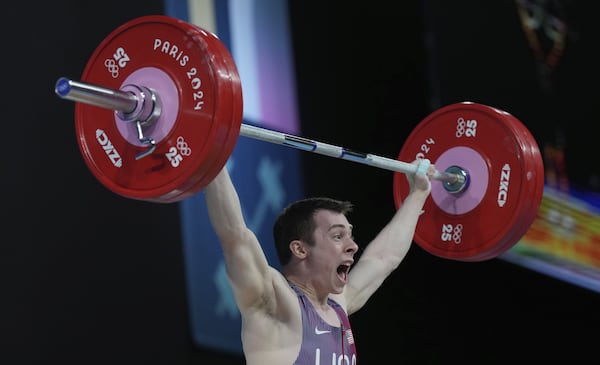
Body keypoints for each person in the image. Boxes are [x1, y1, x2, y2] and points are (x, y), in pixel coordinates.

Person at [204, 158, 435, 365]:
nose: (353, 245)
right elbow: (235, 235)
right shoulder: (273, 302)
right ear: (300, 249)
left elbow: (384, 258)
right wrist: (213, 149)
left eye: (350, 235)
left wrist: (418, 193)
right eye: (337, 236)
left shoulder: (338, 304)